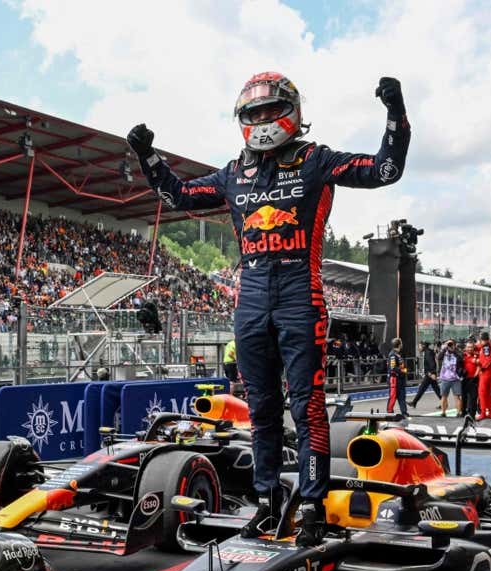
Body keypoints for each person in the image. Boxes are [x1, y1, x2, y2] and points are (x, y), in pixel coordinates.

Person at [129, 72, 410, 545]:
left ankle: (314, 505)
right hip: (252, 299)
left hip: (302, 294)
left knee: (307, 407)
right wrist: (147, 157)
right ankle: (267, 503)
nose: (261, 121)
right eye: (253, 113)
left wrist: (395, 113)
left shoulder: (315, 159)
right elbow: (179, 195)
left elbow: (385, 169)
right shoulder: (232, 173)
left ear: (292, 113)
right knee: (260, 409)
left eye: (269, 111)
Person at [435, 339, 464, 416]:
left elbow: (461, 359)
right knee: (444, 396)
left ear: (455, 345)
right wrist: (445, 348)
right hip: (445, 378)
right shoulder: (444, 352)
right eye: (449, 344)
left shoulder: (458, 352)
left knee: (457, 396)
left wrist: (454, 350)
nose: (450, 346)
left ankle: (458, 412)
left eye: (451, 344)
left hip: (455, 378)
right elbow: (438, 357)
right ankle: (443, 412)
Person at [476, 332, 491, 419]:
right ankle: (490, 412)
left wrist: (482, 367)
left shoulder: (486, 348)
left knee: (482, 393)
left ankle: (483, 413)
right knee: (490, 394)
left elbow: (488, 359)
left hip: (486, 373)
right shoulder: (489, 347)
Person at [410, 341, 440, 408]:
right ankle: (443, 402)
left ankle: (414, 402)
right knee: (436, 389)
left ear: (423, 346)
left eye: (419, 346)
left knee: (422, 388)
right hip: (430, 374)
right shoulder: (427, 352)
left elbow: (432, 363)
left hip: (429, 374)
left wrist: (432, 373)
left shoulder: (428, 353)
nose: (419, 348)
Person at [386, 338, 408, 416]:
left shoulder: (399, 354)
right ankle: (389, 412)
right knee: (393, 396)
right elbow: (393, 368)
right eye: (401, 343)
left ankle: (404, 412)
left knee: (402, 396)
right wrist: (403, 370)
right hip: (394, 380)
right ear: (399, 345)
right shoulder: (392, 355)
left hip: (400, 379)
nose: (402, 344)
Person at [461, 341, 480, 418]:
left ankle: (472, 414)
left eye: (471, 347)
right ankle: (463, 412)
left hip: (473, 379)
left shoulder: (477, 355)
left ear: (473, 348)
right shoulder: (462, 356)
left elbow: (479, 365)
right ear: (465, 348)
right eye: (468, 347)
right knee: (464, 397)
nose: (469, 349)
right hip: (464, 379)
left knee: (473, 397)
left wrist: (476, 375)